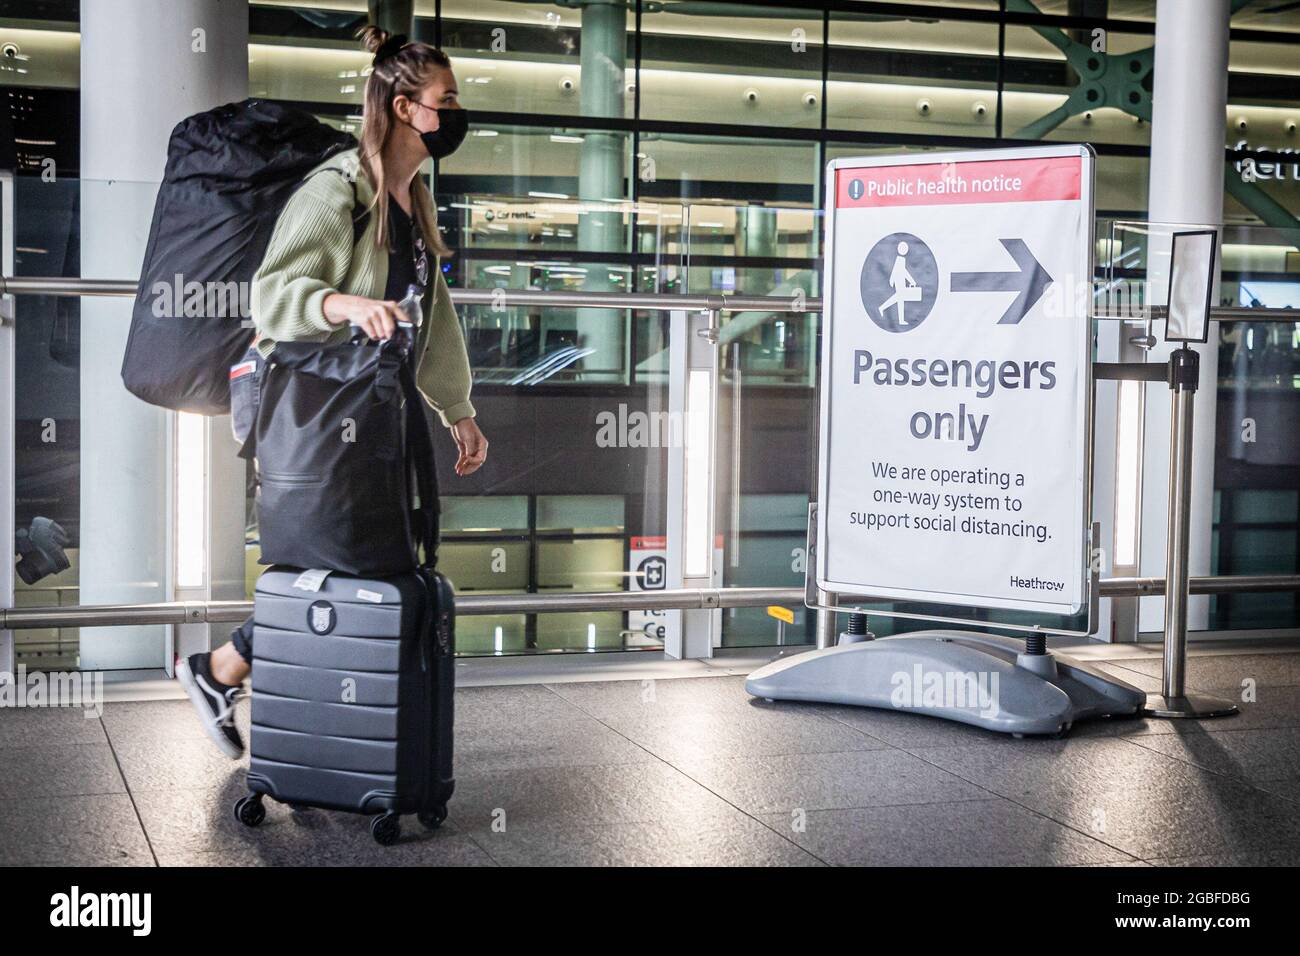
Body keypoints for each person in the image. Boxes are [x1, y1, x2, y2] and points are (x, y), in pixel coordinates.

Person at [177, 26, 488, 758]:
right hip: (311, 413)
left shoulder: (415, 198)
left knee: (371, 560)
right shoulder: (337, 188)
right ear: (407, 107)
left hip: (369, 407)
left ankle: (283, 698)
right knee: (349, 557)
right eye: (448, 99)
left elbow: (431, 316)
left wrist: (459, 410)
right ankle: (228, 671)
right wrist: (348, 306)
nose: (457, 112)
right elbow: (275, 295)